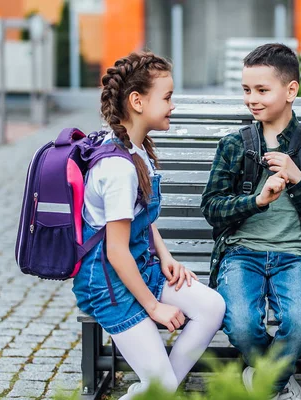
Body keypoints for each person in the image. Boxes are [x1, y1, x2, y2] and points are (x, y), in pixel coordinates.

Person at [72, 52, 225, 400]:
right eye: (168, 97)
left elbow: (138, 218)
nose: (173, 105)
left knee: (211, 307)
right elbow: (115, 249)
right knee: (163, 388)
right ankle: (160, 388)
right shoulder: (118, 167)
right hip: (110, 284)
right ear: (137, 101)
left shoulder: (136, 150)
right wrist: (154, 307)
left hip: (141, 267)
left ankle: (157, 387)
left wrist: (165, 255)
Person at [200, 43, 301, 400]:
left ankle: (264, 382)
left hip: (295, 256)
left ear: (291, 90)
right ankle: (276, 382)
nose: (252, 99)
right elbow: (212, 208)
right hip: (241, 253)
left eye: (262, 90)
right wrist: (256, 201)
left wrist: (298, 179)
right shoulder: (235, 145)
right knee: (243, 325)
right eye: (247, 90)